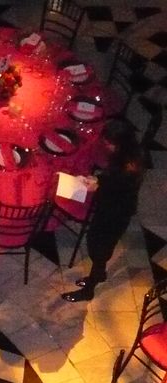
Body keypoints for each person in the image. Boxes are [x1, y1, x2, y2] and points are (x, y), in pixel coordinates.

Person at [61, 118, 145, 303]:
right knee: (98, 243)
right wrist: (98, 180)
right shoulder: (128, 155)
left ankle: (89, 289)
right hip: (113, 208)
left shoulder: (129, 166)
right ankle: (99, 274)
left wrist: (98, 185)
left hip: (115, 212)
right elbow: (112, 178)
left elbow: (118, 186)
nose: (106, 145)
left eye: (109, 142)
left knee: (99, 246)